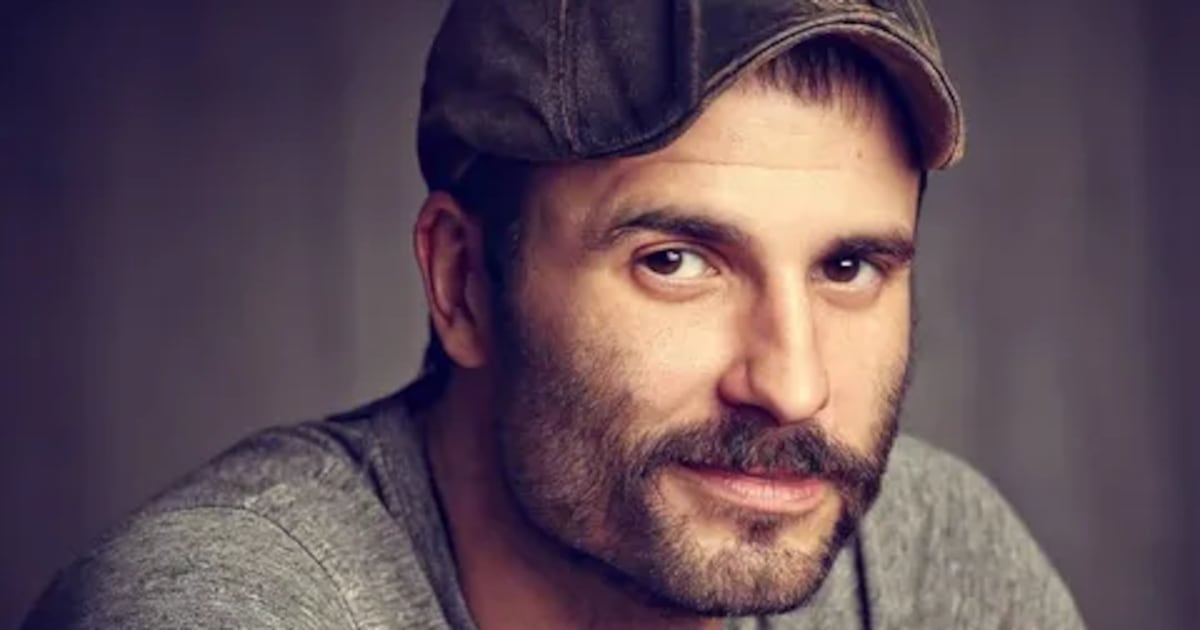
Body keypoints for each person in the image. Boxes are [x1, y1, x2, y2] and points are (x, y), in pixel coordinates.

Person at [24, 1, 1086, 628]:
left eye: (847, 267)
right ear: (463, 282)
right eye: (676, 261)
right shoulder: (227, 607)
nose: (792, 385)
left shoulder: (929, 560)